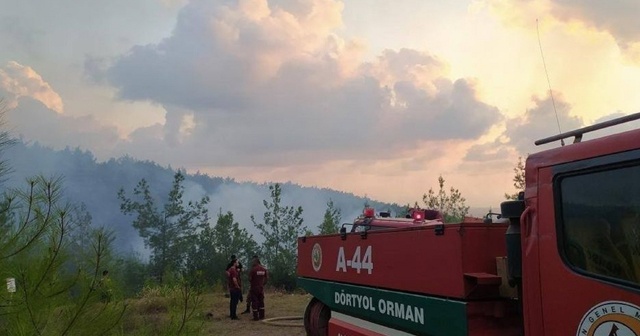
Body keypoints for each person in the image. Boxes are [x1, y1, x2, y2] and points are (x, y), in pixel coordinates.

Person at [248, 255, 268, 321]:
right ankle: (262, 315)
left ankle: (255, 317)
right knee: (261, 301)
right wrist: (263, 284)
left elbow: (250, 279)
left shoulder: (253, 270)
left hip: (254, 288)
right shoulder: (264, 269)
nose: (252, 263)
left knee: (254, 302)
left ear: (256, 262)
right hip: (261, 288)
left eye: (253, 262)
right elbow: (267, 278)